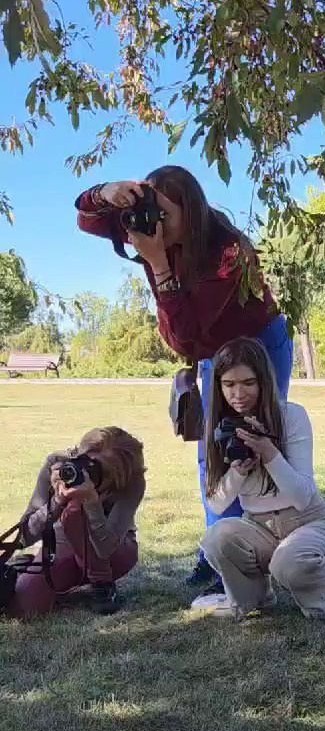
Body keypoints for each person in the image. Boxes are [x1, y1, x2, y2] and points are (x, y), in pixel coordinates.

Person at [75, 167, 293, 590]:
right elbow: (85, 217)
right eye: (149, 210)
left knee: (255, 439)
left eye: (165, 214)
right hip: (211, 352)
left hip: (259, 344)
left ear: (192, 214)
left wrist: (157, 263)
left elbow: (185, 337)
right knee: (210, 452)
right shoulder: (146, 225)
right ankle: (217, 552)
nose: (153, 223)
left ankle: (273, 546)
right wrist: (109, 191)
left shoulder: (227, 251)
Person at [192, 337, 325, 623]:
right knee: (216, 538)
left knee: (294, 572)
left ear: (264, 380)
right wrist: (238, 472)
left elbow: (302, 496)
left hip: (311, 521)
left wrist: (270, 453)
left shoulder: (291, 416)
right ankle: (251, 599)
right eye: (228, 385)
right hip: (260, 525)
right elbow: (216, 504)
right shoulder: (220, 427)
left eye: (248, 383)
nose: (238, 394)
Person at [8, 427, 145, 619]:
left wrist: (91, 501)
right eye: (85, 462)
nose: (87, 472)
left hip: (115, 553)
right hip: (62, 546)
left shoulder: (132, 481)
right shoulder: (58, 464)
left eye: (100, 471)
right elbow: (24, 537)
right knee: (26, 609)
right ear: (77, 454)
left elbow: (106, 548)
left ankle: (102, 584)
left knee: (75, 512)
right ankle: (31, 565)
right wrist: (56, 501)